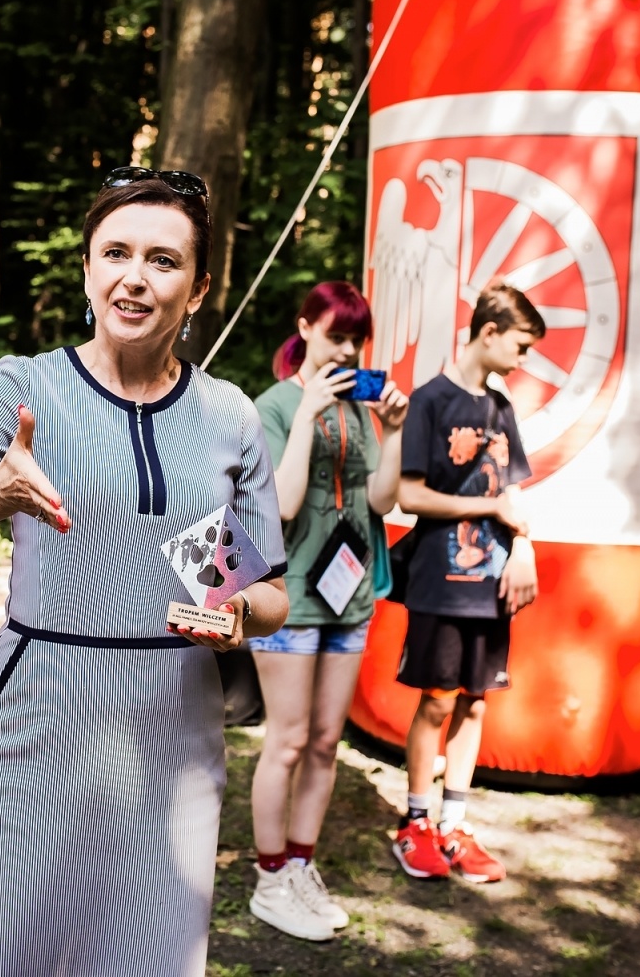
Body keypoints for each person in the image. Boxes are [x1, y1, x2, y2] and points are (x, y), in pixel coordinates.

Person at [0, 166, 291, 976]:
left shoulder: (226, 416)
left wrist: (234, 616)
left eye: (163, 260)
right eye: (115, 253)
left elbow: (264, 592)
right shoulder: (28, 386)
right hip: (39, 719)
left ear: (200, 288)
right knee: (16, 955)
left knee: (151, 958)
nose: (134, 278)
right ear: (88, 271)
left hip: (172, 733)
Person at [247, 281, 408, 940]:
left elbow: (382, 502)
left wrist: (393, 433)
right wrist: (309, 412)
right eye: (336, 334)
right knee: (284, 742)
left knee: (322, 743)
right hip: (289, 599)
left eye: (356, 340)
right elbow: (281, 506)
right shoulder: (274, 406)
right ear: (305, 328)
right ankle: (268, 878)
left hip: (350, 600)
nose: (346, 349)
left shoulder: (363, 412)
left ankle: (301, 865)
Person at [390, 281, 545, 885]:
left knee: (477, 703)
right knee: (436, 701)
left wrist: (524, 548)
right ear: (488, 333)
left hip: (493, 585)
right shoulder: (430, 401)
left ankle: (454, 826)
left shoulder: (501, 408)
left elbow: (511, 492)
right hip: (441, 580)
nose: (524, 359)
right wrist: (485, 515)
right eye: (521, 346)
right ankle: (417, 824)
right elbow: (408, 495)